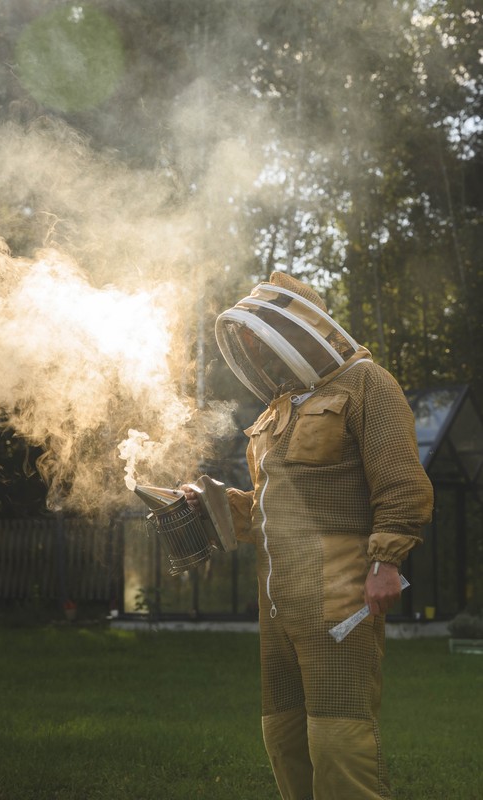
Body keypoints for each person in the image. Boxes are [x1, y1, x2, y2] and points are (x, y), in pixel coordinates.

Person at [184, 271, 433, 800]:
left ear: (301, 328)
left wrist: (387, 561)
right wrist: (213, 503)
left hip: (339, 598)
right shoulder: (278, 410)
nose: (255, 346)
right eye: (249, 338)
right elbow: (270, 511)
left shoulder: (369, 385)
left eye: (262, 333)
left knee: (340, 739)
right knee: (283, 734)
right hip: (278, 604)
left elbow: (402, 482)